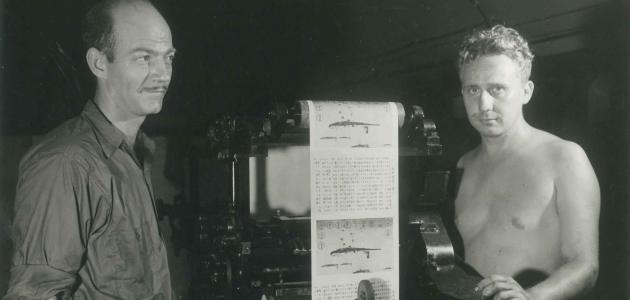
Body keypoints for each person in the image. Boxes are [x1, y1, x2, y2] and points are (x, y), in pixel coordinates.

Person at [4, 0, 176, 298]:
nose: (162, 74)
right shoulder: (65, 163)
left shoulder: (135, 154)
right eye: (144, 58)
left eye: (168, 58)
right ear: (99, 63)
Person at [454, 25, 600, 300]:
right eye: (472, 90)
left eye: (497, 89)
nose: (484, 104)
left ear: (526, 91)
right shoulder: (463, 165)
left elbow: (585, 265)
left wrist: (531, 297)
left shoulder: (565, 157)